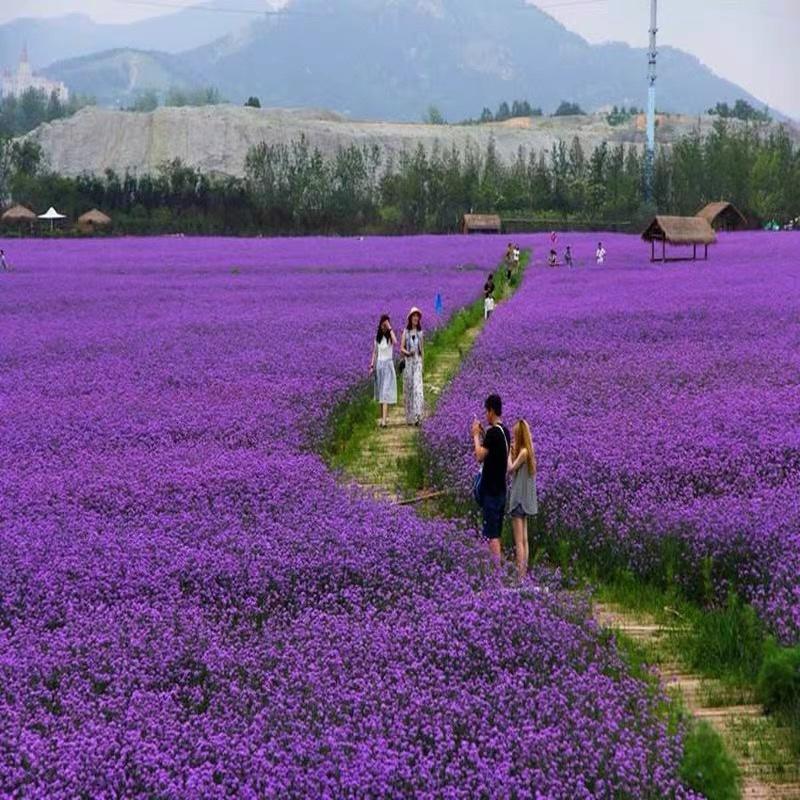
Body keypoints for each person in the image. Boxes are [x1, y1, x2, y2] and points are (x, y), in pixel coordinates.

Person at [471, 394, 511, 560]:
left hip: (491, 491)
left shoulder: (493, 433)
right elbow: (494, 450)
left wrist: (475, 435)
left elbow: (480, 455)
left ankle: (496, 575)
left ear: (492, 410)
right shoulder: (504, 432)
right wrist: (483, 434)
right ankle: (495, 570)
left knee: (491, 534)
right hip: (501, 489)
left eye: (487, 411)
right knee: (496, 532)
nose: (486, 415)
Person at [507, 419, 538, 580]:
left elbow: (510, 469)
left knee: (519, 541)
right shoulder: (528, 452)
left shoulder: (524, 452)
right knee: (524, 540)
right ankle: (524, 574)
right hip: (525, 502)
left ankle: (520, 576)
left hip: (518, 500)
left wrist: (507, 454)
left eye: (514, 435)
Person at [369, 314, 397, 428]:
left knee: (385, 392)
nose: (384, 326)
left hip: (388, 366)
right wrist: (372, 366)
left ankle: (384, 421)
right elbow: (375, 353)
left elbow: (395, 342)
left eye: (386, 324)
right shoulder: (377, 338)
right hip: (379, 366)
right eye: (383, 324)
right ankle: (382, 419)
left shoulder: (390, 337)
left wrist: (389, 327)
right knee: (381, 393)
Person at [401, 307, 424, 426]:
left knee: (418, 389)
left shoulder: (420, 333)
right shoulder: (406, 332)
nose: (415, 318)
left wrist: (422, 364)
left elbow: (422, 350)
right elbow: (401, 348)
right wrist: (407, 353)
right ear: (410, 318)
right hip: (409, 363)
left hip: (417, 363)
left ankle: (418, 416)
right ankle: (410, 416)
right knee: (409, 389)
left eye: (417, 316)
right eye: (414, 316)